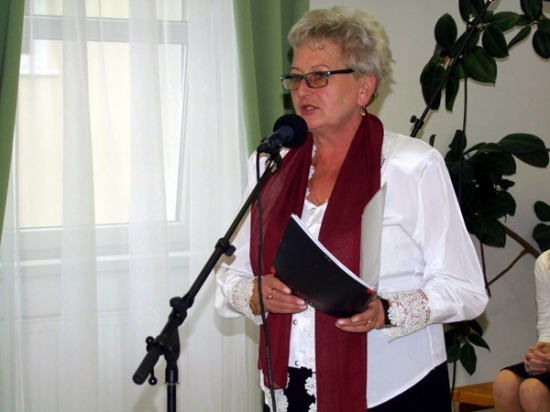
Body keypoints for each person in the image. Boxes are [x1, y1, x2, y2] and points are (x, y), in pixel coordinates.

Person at [215, 7, 488, 412]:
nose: (302, 90)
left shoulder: (411, 166)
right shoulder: (271, 164)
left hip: (393, 388)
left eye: (319, 76)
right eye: (295, 77)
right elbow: (228, 274)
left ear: (364, 87)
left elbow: (466, 290)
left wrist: (385, 310)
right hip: (290, 385)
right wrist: (255, 292)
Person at [493, 250, 550, 412]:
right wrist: (540, 357)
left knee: (532, 390)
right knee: (505, 383)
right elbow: (546, 327)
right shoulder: (545, 261)